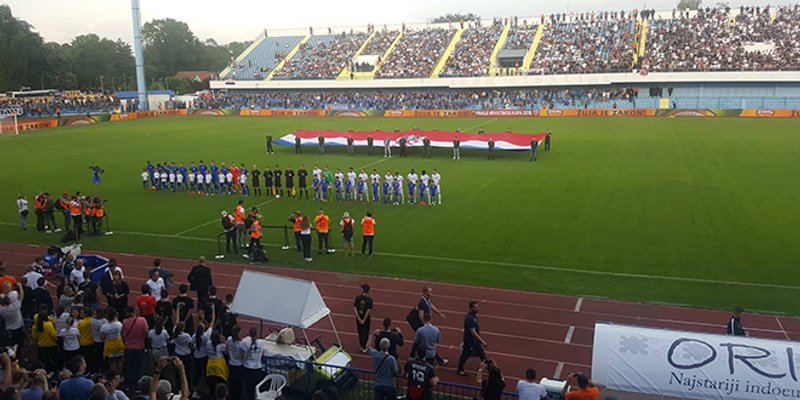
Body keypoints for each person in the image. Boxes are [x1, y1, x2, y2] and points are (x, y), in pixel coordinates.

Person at [456, 301, 488, 376]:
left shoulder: (474, 316)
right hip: (470, 341)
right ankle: (460, 368)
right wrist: (482, 341)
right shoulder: (469, 318)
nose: (477, 308)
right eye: (475, 307)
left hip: (475, 342)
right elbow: (473, 332)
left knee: (481, 353)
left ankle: (487, 364)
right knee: (465, 355)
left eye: (477, 307)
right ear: (470, 308)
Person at [122, 306, 149, 386]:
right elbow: (146, 332)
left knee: (129, 366)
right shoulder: (142, 320)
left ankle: (129, 382)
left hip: (128, 347)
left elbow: (123, 334)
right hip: (140, 346)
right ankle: (138, 382)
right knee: (139, 366)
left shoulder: (125, 322)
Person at [240, 327, 266, 400]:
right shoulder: (262, 342)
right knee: (257, 388)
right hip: (257, 369)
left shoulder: (245, 343)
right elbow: (263, 354)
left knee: (249, 389)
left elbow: (244, 356)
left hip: (248, 368)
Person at [354, 284, 373, 353]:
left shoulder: (358, 298)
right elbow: (368, 310)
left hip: (359, 317)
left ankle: (362, 346)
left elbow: (355, 308)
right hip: (366, 318)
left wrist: (358, 318)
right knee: (365, 331)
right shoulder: (369, 300)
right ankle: (365, 346)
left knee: (360, 331)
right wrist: (364, 319)